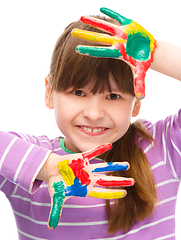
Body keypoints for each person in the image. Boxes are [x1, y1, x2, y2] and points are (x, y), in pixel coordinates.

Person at [0, 7, 181, 240]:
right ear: (48, 93)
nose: (94, 114)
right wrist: (46, 167)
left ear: (136, 103)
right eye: (78, 92)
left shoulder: (162, 147)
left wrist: (156, 53)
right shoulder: (27, 161)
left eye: (113, 96)